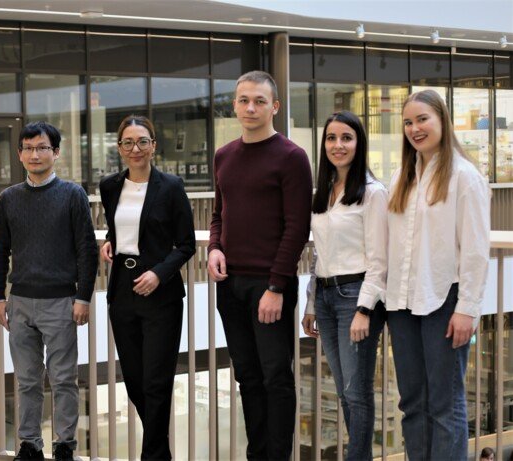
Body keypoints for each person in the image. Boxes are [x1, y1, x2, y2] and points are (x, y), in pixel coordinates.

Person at [208, 70, 312, 460]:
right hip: (230, 284)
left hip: (269, 287)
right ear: (235, 105)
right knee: (247, 378)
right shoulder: (224, 155)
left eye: (260, 101)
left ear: (275, 107)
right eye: (244, 100)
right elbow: (219, 213)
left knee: (276, 379)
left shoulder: (291, 157)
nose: (251, 108)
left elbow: (296, 228)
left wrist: (276, 287)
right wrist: (215, 247)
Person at [387, 89, 490, 460]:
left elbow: (477, 250)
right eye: (408, 123)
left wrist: (468, 308)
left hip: (443, 301)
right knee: (412, 403)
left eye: (422, 120)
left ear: (443, 121)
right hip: (400, 303)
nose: (414, 129)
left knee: (445, 405)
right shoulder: (401, 177)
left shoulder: (465, 177)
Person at [0, 121, 99, 461]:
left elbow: (86, 248)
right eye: (27, 148)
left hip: (62, 301)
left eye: (42, 148)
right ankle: (29, 444)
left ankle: (64, 444)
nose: (34, 154)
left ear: (55, 152)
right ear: (20, 154)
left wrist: (83, 296)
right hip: (20, 300)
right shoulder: (9, 198)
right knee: (26, 380)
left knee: (64, 378)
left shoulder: (72, 194)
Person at [99, 115, 196, 460]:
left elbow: (186, 244)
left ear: (154, 146)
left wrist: (159, 273)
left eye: (142, 141)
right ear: (119, 148)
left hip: (160, 293)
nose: (135, 148)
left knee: (157, 381)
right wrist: (110, 241)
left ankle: (152, 457)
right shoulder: (110, 186)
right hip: (122, 289)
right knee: (137, 381)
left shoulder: (171, 186)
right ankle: (162, 453)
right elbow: (120, 226)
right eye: (128, 142)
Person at [300, 111, 387, 461]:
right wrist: (310, 303)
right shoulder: (322, 192)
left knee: (357, 392)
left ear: (359, 143)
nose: (338, 145)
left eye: (346, 138)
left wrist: (365, 309)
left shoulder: (373, 192)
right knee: (343, 390)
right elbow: (319, 252)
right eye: (331, 138)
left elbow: (380, 258)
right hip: (324, 294)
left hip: (356, 298)